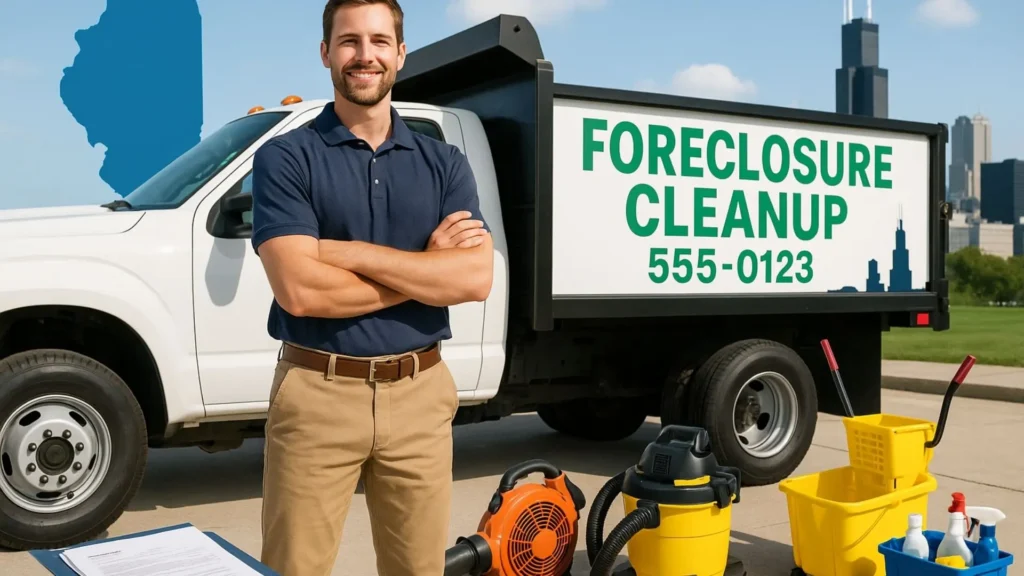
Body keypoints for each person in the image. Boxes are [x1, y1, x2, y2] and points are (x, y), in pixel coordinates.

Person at [249, 0, 494, 574]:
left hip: (421, 393)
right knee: (295, 568)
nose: (366, 55)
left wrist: (353, 254)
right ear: (326, 53)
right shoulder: (287, 157)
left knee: (419, 569)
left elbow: (474, 278)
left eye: (380, 41)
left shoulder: (444, 162)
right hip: (318, 393)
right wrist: (426, 273)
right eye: (350, 41)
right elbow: (302, 292)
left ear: (400, 54)